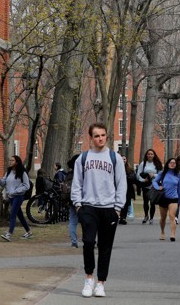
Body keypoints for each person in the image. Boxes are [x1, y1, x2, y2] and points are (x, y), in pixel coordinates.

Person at [71, 123, 127, 298]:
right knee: (88, 242)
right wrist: (78, 205)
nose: (100, 138)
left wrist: (118, 208)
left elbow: (121, 183)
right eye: (96, 136)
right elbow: (77, 183)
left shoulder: (114, 157)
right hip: (88, 207)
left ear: (106, 137)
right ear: (91, 138)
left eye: (103, 135)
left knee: (105, 246)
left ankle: (100, 282)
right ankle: (89, 279)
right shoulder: (83, 158)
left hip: (109, 208)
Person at [0, 155, 33, 242]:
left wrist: (16, 191)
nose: (10, 162)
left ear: (17, 162)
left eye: (12, 160)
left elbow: (27, 186)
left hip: (18, 196)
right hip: (11, 197)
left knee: (12, 214)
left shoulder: (22, 172)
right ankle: (29, 232)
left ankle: (9, 234)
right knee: (20, 215)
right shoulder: (8, 172)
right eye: (10, 160)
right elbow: (3, 184)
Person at [152, 158, 180, 241]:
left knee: (172, 216)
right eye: (171, 162)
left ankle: (173, 234)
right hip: (163, 198)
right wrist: (158, 187)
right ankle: (162, 232)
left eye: (174, 163)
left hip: (174, 198)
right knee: (163, 217)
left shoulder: (178, 175)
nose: (173, 164)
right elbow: (154, 181)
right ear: (167, 164)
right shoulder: (162, 173)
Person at [136, 149, 163, 224]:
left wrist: (153, 175)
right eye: (148, 154)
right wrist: (143, 180)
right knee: (145, 201)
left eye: (151, 154)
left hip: (154, 186)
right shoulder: (143, 163)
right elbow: (138, 174)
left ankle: (151, 218)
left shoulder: (157, 164)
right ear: (146, 155)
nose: (150, 155)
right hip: (145, 185)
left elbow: (161, 175)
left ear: (154, 155)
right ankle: (146, 216)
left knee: (152, 202)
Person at [66, 154, 80, 248]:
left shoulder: (69, 174)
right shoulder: (83, 173)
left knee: (73, 221)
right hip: (83, 200)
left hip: (71, 200)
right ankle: (90, 240)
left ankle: (74, 241)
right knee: (87, 222)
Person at [119, 155, 137, 225]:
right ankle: (118, 216)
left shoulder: (129, 169)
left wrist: (128, 177)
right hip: (117, 189)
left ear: (126, 160)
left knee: (126, 203)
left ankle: (123, 218)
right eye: (121, 159)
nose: (123, 161)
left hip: (127, 189)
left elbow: (134, 177)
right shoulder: (116, 168)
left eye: (124, 159)